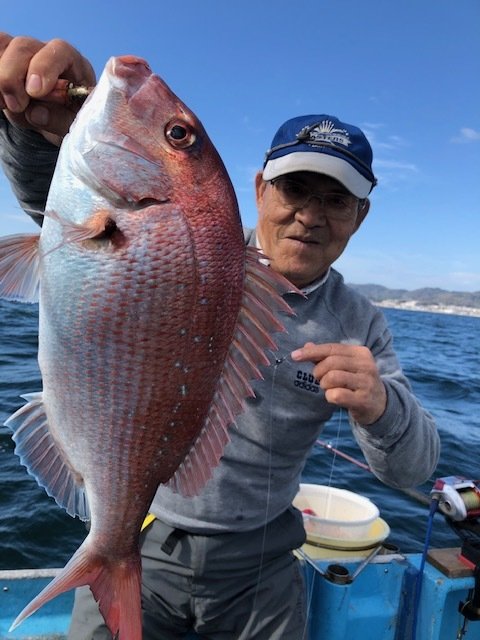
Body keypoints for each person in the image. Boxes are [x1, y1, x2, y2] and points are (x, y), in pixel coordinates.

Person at [0, 33, 440, 640]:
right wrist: (33, 130)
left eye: (336, 200)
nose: (310, 214)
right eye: (295, 189)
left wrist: (382, 406)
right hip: (147, 534)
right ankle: (110, 553)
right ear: (260, 190)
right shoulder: (189, 247)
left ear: (359, 217)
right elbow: (61, 219)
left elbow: (414, 468)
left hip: (261, 566)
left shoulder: (361, 323)